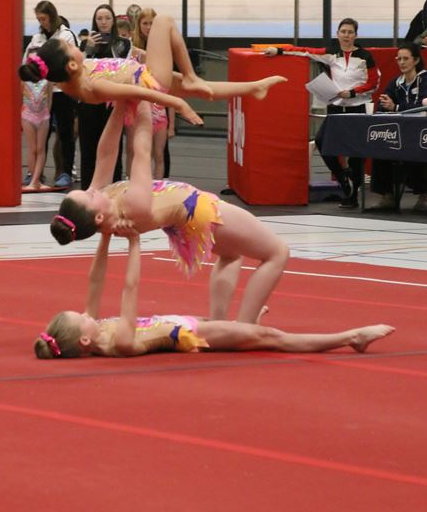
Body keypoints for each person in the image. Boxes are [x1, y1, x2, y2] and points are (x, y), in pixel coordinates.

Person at [52, 98, 289, 326]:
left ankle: (220, 324)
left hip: (187, 217)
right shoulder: (133, 207)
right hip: (201, 211)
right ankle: (246, 327)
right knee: (277, 252)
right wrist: (143, 98)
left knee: (231, 255)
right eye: (89, 196)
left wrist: (121, 104)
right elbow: (142, 149)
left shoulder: (104, 204)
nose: (92, 190)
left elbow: (106, 151)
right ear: (98, 216)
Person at [34, 229, 395, 359]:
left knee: (248, 326)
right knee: (273, 338)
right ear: (84, 340)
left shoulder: (97, 330)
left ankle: (246, 326)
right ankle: (352, 337)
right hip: (197, 335)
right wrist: (134, 243)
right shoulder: (121, 342)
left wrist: (104, 238)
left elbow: (95, 281)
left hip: (191, 323)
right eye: (82, 317)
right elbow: (130, 289)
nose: (88, 313)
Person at [19, 13, 286, 128]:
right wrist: (179, 104)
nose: (77, 45)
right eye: (71, 47)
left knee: (202, 90)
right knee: (163, 21)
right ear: (72, 64)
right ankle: (191, 76)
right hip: (150, 80)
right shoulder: (91, 85)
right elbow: (140, 93)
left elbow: (53, 68)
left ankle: (255, 87)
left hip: (144, 72)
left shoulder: (68, 78)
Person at [265, 18, 379, 209]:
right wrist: (279, 50)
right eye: (343, 31)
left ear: (356, 35)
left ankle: (352, 196)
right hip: (336, 108)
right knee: (321, 141)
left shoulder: (365, 57)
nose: (346, 35)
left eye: (350, 32)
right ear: (338, 34)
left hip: (357, 108)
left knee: (357, 154)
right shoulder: (331, 54)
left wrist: (353, 92)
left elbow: (374, 83)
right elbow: (305, 51)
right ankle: (343, 178)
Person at [370, 43, 427, 211]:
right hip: (399, 131)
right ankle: (387, 195)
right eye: (399, 59)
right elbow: (383, 104)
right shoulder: (396, 82)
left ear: (416, 60)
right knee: (379, 146)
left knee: (411, 151)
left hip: (421, 132)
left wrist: (396, 107)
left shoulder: (426, 80)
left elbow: (425, 106)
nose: (401, 62)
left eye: (405, 59)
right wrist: (384, 105)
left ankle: (425, 193)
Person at [23, 0, 77, 189]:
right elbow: (26, 64)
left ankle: (65, 172)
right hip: (39, 94)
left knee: (65, 132)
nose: (42, 22)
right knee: (40, 136)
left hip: (62, 91)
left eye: (44, 18)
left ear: (52, 16)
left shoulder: (66, 35)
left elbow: (73, 63)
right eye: (39, 19)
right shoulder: (36, 39)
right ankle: (34, 173)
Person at [77, 4, 131, 191]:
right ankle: (87, 190)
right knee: (88, 147)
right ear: (94, 21)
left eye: (107, 18)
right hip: (88, 101)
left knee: (112, 147)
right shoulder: (85, 43)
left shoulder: (123, 43)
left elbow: (123, 67)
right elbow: (78, 69)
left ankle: (113, 189)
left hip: (111, 103)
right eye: (99, 18)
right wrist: (88, 49)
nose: (103, 22)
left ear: (113, 21)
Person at [129, 7, 170, 179]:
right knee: (135, 151)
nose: (148, 27)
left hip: (158, 105)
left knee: (159, 154)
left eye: (151, 23)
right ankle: (134, 183)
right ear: (139, 26)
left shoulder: (163, 45)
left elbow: (168, 82)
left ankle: (158, 186)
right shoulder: (132, 47)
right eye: (145, 23)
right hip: (137, 105)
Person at [21, 53, 53, 191]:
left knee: (40, 148)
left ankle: (36, 180)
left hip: (43, 116)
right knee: (32, 148)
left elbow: (50, 99)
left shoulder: (47, 80)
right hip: (27, 116)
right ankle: (34, 180)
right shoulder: (24, 80)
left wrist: (47, 114)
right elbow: (19, 98)